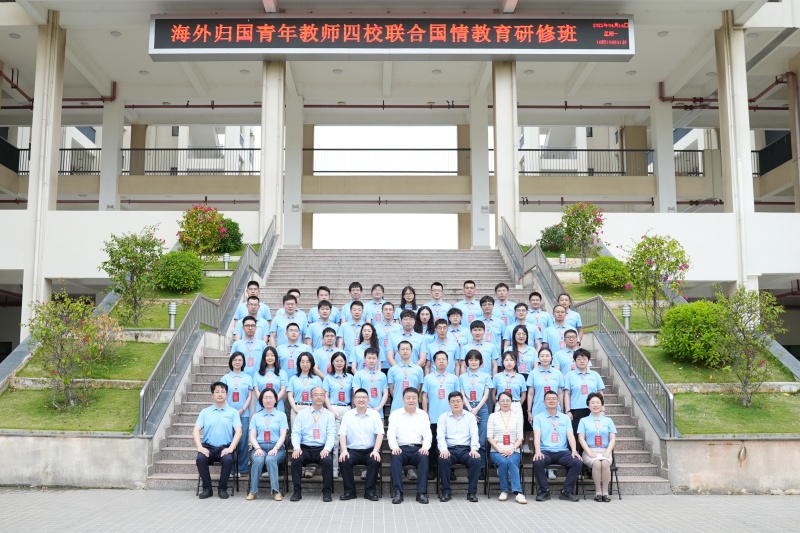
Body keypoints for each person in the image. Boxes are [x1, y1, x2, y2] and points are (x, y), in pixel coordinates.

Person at [193, 381, 242, 500]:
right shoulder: (205, 412)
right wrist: (200, 447)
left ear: (227, 394)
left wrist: (231, 448)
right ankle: (207, 489)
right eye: (217, 392)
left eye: (223, 392)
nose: (220, 394)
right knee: (200, 459)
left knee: (228, 460)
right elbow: (195, 430)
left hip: (225, 448)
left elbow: (239, 431)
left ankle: (222, 489)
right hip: (208, 447)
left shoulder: (233, 412)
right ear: (212, 395)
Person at [532, 390, 582, 502]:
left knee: (577, 462)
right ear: (544, 402)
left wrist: (574, 450)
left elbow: (570, 436)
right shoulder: (538, 418)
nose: (551, 401)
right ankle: (544, 491)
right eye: (548, 399)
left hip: (562, 451)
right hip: (545, 451)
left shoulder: (565, 418)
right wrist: (538, 451)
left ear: (558, 401)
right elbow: (537, 435)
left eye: (554, 398)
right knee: (538, 461)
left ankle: (567, 491)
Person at [289, 387, 336, 502]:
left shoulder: (329, 415)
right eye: (316, 395)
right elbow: (295, 433)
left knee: (328, 461)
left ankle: (326, 491)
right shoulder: (302, 414)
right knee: (296, 459)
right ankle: (297, 491)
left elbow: (331, 435)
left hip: (321, 449)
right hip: (305, 448)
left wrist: (327, 449)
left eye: (321, 395)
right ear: (311, 397)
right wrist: (297, 448)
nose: (319, 397)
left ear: (325, 397)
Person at [387, 387, 432, 504]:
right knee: (395, 457)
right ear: (403, 399)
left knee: (424, 457)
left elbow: (427, 434)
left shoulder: (423, 414)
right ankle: (398, 492)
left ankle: (421, 493)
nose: (411, 400)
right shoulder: (395, 414)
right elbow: (391, 433)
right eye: (408, 398)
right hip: (401, 448)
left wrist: (425, 447)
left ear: (418, 399)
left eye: (414, 398)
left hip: (418, 448)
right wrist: (394, 447)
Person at [338, 388, 384, 501]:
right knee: (344, 460)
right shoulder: (348, 415)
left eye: (364, 397)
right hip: (352, 450)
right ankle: (349, 491)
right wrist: (344, 450)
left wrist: (376, 450)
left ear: (368, 400)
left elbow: (380, 433)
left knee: (375, 460)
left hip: (370, 450)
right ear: (354, 400)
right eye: (358, 397)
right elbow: (342, 434)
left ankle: (370, 491)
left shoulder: (375, 415)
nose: (361, 400)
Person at [421, 350, 459, 481]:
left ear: (448, 362)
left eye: (444, 359)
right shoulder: (428, 378)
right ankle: (432, 469)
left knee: (450, 443)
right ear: (434, 362)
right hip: (433, 416)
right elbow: (424, 396)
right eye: (439, 359)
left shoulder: (454, 378)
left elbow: (457, 398)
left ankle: (450, 470)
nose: (441, 361)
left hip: (451, 417)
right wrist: (425, 413)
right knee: (432, 444)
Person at [436, 391, 481, 502]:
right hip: (450, 449)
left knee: (476, 460)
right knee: (443, 459)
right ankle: (446, 492)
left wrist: (474, 449)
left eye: (458, 401)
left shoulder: (470, 417)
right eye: (453, 401)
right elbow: (440, 436)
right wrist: (443, 449)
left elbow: (474, 434)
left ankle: (472, 492)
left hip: (466, 450)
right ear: (449, 403)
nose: (456, 403)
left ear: (463, 402)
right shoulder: (443, 417)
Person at [526, 346, 565, 473]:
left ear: (551, 358)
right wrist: (529, 411)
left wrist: (562, 409)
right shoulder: (533, 373)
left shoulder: (557, 373)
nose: (544, 358)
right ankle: (540, 463)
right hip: (538, 409)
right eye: (542, 356)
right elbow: (530, 393)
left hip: (555, 410)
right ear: (538, 358)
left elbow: (560, 393)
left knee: (552, 435)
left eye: (547, 356)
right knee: (539, 437)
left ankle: (551, 469)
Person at [246, 388, 288, 501]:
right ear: (261, 400)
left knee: (270, 459)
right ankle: (253, 491)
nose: (268, 400)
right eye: (265, 398)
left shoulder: (281, 415)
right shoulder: (256, 416)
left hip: (277, 448)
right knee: (258, 460)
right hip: (260, 447)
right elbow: (252, 436)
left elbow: (283, 435)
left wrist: (276, 448)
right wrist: (257, 448)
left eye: (270, 398)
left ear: (275, 400)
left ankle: (276, 491)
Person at [487, 391, 527, 504]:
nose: (505, 403)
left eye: (507, 401)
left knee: (511, 461)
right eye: (502, 401)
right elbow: (489, 437)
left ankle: (518, 493)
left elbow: (520, 438)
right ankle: (504, 491)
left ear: (511, 402)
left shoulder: (517, 417)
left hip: (513, 450)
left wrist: (512, 449)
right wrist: (500, 450)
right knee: (503, 462)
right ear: (498, 402)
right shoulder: (493, 417)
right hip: (496, 451)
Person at [577, 392, 617, 502]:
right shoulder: (583, 421)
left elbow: (612, 438)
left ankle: (605, 493)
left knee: (605, 463)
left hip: (605, 451)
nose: (595, 405)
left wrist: (608, 452)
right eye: (592, 402)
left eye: (598, 402)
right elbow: (581, 438)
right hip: (590, 451)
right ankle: (598, 492)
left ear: (602, 405)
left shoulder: (608, 421)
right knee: (596, 463)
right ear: (588, 405)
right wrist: (589, 453)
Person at [564, 348, 605, 452]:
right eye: (579, 359)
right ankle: (575, 458)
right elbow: (567, 394)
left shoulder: (595, 375)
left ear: (589, 360)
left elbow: (600, 393)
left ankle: (590, 457)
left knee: (591, 433)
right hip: (576, 409)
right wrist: (568, 411)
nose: (582, 361)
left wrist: (602, 409)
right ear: (574, 361)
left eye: (584, 359)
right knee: (576, 434)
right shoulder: (569, 375)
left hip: (593, 410)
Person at [459, 349, 492, 472]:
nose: (473, 362)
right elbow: (462, 395)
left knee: (481, 439)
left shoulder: (486, 376)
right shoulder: (462, 377)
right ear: (467, 362)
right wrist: (470, 410)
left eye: (476, 359)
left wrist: (476, 409)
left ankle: (481, 467)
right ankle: (470, 466)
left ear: (481, 362)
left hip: (481, 408)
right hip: (466, 408)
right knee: (467, 438)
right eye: (471, 359)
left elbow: (486, 394)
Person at [220, 351, 252, 474]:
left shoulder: (248, 377)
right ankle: (230, 469)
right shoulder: (225, 378)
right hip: (228, 414)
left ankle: (242, 468)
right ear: (231, 362)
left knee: (243, 441)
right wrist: (232, 410)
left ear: (243, 362)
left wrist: (242, 409)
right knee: (229, 440)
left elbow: (249, 396)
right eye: (235, 360)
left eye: (240, 360)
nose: (237, 362)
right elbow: (223, 395)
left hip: (244, 414)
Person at [322, 352, 353, 477]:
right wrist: (330, 410)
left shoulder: (350, 377)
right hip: (333, 409)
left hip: (347, 409)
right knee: (334, 442)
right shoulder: (328, 378)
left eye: (341, 361)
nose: (339, 363)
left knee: (347, 441)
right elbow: (325, 396)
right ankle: (334, 468)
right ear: (332, 363)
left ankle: (346, 468)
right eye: (337, 361)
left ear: (345, 363)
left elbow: (353, 395)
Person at [286, 353, 323, 426]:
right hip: (297, 407)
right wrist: (296, 410)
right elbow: (290, 396)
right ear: (298, 363)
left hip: (312, 408)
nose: (305, 364)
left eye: (308, 362)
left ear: (311, 363)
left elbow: (321, 396)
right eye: (302, 362)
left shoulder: (317, 379)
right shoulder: (293, 379)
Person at [387, 340, 425, 413]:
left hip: (413, 406)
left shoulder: (418, 369)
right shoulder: (392, 370)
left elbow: (418, 388)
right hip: (397, 406)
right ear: (398, 351)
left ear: (411, 351)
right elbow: (391, 389)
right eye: (402, 349)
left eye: (407, 349)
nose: (405, 351)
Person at [352, 348, 389, 418]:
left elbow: (385, 393)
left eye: (374, 358)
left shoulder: (382, 375)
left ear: (377, 359)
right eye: (369, 358)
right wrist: (367, 407)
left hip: (378, 412)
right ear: (364, 358)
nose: (371, 361)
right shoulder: (358, 374)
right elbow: (357, 393)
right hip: (362, 412)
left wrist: (379, 407)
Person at [252, 346, 287, 414]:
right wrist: (264, 402)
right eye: (267, 355)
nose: (270, 358)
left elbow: (283, 390)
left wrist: (273, 401)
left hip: (277, 406)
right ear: (264, 357)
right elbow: (256, 391)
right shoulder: (257, 374)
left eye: (272, 355)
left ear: (276, 357)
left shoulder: (282, 373)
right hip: (261, 406)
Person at [492, 352, 527, 421]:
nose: (509, 362)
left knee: (516, 426)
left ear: (515, 362)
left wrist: (518, 405)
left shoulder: (520, 377)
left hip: (515, 405)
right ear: (502, 362)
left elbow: (523, 395)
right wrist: (498, 404)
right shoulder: (497, 376)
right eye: (506, 360)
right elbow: (493, 394)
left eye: (511, 360)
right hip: (500, 405)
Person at [374, 302, 401, 370]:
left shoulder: (399, 328)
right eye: (386, 310)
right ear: (382, 312)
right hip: (380, 364)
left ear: (393, 312)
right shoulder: (376, 328)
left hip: (395, 364)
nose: (388, 312)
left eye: (390, 310)